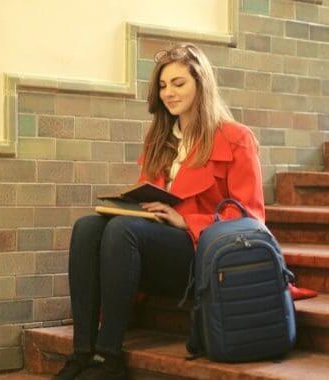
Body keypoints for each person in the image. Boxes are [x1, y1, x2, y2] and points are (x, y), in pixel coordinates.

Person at [54, 43, 265, 380]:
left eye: (178, 83)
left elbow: (251, 219)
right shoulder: (160, 138)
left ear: (201, 83)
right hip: (154, 244)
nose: (169, 93)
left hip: (203, 254)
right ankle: (82, 352)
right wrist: (130, 207)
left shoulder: (237, 138)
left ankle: (108, 358)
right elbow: (148, 197)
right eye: (163, 86)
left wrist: (188, 221)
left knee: (123, 232)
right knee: (88, 227)